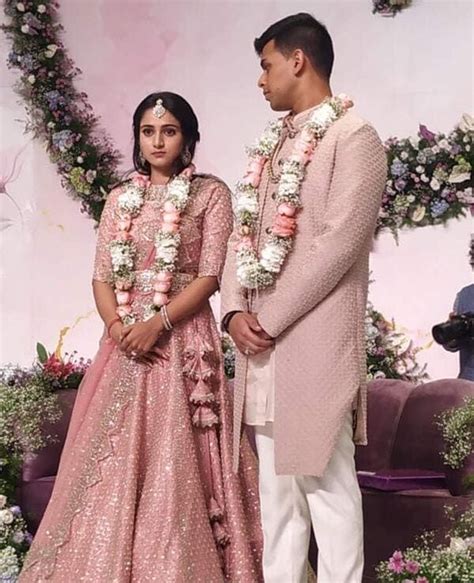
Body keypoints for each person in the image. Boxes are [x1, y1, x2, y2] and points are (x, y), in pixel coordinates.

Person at [20, 92, 262, 582]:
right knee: (113, 454)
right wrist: (117, 328)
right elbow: (102, 275)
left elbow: (211, 274)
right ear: (137, 138)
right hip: (125, 343)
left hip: (182, 339)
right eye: (148, 132)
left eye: (169, 131)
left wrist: (160, 324)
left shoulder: (210, 195)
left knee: (180, 455)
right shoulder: (118, 197)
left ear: (188, 137)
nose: (157, 140)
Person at [221, 14, 387, 583]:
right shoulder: (270, 147)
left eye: (266, 66)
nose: (261, 80)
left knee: (329, 490)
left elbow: (337, 244)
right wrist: (234, 311)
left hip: (315, 344)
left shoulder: (354, 137)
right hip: (261, 348)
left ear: (298, 60)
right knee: (277, 498)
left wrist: (266, 316)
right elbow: (238, 238)